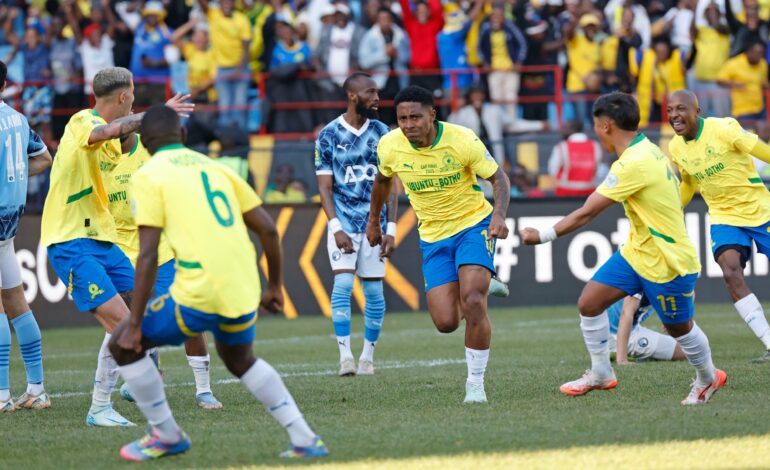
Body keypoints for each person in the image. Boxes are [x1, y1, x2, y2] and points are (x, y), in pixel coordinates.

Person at [108, 105, 327, 461]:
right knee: (240, 360)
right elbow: (269, 230)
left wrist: (134, 323)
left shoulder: (148, 175)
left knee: (122, 345)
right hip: (243, 285)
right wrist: (274, 287)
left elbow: (147, 255)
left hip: (201, 289)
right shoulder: (217, 167)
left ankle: (166, 435)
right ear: (182, 136)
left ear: (145, 144)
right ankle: (305, 438)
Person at [520, 92, 726, 405]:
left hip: (667, 260)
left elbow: (588, 211)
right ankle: (602, 373)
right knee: (589, 303)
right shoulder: (646, 147)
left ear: (604, 127)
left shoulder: (634, 162)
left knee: (679, 328)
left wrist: (543, 235)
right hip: (637, 252)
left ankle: (708, 378)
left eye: (595, 126)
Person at [39, 67, 193, 427]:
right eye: (134, 94)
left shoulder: (114, 136)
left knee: (143, 318)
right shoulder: (82, 121)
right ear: (124, 97)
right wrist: (154, 114)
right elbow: (104, 131)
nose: (135, 99)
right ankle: (100, 407)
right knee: (123, 324)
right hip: (72, 240)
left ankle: (123, 393)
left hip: (104, 239)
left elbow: (123, 139)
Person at [366, 85, 512, 403]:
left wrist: (499, 215)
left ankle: (475, 384)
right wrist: (374, 220)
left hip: (474, 225)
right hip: (432, 235)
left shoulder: (462, 139)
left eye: (415, 117)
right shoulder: (390, 146)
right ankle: (485, 283)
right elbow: (382, 180)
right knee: (445, 322)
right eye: (402, 118)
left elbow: (499, 178)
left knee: (472, 300)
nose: (408, 125)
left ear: (432, 114)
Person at [103, 132, 223, 409]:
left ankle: (204, 389)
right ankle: (146, 377)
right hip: (120, 251)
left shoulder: (150, 149)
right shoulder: (97, 155)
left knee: (186, 312)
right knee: (133, 320)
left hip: (162, 246)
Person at [667, 90, 770, 362]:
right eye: (669, 110)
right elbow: (689, 182)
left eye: (680, 109)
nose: (674, 115)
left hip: (761, 211)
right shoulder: (676, 147)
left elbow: (761, 150)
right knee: (729, 270)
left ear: (697, 111)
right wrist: (674, 209)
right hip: (725, 216)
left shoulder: (723, 128)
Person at [316, 73, 395, 376]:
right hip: (345, 222)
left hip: (376, 224)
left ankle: (367, 357)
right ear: (352, 96)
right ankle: (345, 356)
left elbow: (391, 184)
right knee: (344, 284)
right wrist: (335, 227)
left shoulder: (383, 133)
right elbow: (324, 187)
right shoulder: (328, 135)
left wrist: (391, 229)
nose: (377, 98)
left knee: (373, 292)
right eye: (371, 92)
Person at [0, 60, 53, 412]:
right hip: (10, 220)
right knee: (16, 302)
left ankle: (2, 395)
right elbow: (44, 158)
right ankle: (36, 388)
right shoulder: (17, 119)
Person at [448, 86, 545, 166]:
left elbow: (513, 124)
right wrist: (455, 111)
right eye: (474, 94)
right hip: (473, 161)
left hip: (494, 159)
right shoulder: (463, 113)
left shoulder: (494, 110)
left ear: (485, 96)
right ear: (469, 97)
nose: (477, 97)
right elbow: (451, 128)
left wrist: (539, 125)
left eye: (480, 94)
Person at [199, 0, 252, 130]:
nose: (227, 4)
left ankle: (241, 139)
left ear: (234, 4)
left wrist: (240, 69)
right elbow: (202, 3)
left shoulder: (242, 19)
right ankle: (225, 139)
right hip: (222, 69)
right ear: (219, 4)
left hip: (240, 68)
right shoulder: (213, 15)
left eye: (230, 2)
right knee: (224, 106)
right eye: (224, 2)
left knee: (240, 105)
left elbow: (246, 47)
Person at [478, 4, 527, 120]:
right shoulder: (485, 29)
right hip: (494, 70)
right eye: (494, 15)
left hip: (510, 69)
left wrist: (519, 61)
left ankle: (512, 123)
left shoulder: (510, 27)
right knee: (496, 98)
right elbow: (479, 48)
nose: (496, 18)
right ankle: (499, 124)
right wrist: (485, 63)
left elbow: (522, 44)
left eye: (499, 15)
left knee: (511, 98)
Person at [608, 295, 685, 364]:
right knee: (685, 351)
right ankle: (613, 350)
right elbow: (626, 313)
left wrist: (669, 317)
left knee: (686, 348)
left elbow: (688, 293)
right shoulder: (646, 280)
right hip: (616, 332)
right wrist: (622, 359)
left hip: (605, 327)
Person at [547, 119, 603, 197]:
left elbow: (552, 170)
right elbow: (599, 171)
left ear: (571, 129)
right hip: (589, 196)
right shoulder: (595, 146)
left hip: (564, 195)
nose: (562, 130)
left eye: (565, 127)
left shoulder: (562, 146)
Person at [717, 41, 769, 123]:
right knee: (747, 134)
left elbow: (763, 82)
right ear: (748, 52)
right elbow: (719, 80)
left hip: (760, 109)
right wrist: (733, 84)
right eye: (757, 53)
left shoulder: (763, 64)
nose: (760, 56)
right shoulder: (734, 63)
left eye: (762, 53)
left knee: (762, 135)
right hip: (742, 110)